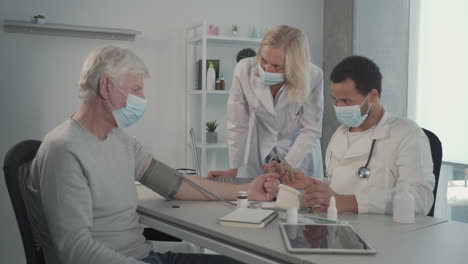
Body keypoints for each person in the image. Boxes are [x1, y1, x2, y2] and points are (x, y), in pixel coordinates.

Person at [21, 45, 279, 264]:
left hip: (143, 256)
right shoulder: (63, 150)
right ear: (105, 86)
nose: (142, 98)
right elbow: (74, 250)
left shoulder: (121, 141)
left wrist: (246, 190)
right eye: (136, 90)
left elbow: (175, 184)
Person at [281, 56, 435, 215]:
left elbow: (419, 198)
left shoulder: (407, 134)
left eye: (346, 101)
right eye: (335, 100)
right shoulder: (340, 134)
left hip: (385, 233)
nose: (339, 107)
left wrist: (348, 202)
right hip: (340, 227)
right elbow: (340, 186)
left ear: (373, 96)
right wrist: (310, 184)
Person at [208, 25, 324, 180]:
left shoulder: (312, 76)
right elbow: (237, 123)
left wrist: (286, 165)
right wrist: (233, 168)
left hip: (299, 160)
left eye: (277, 66)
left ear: (294, 67)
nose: (267, 69)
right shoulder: (244, 70)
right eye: (263, 60)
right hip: (260, 158)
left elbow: (310, 129)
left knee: (295, 201)